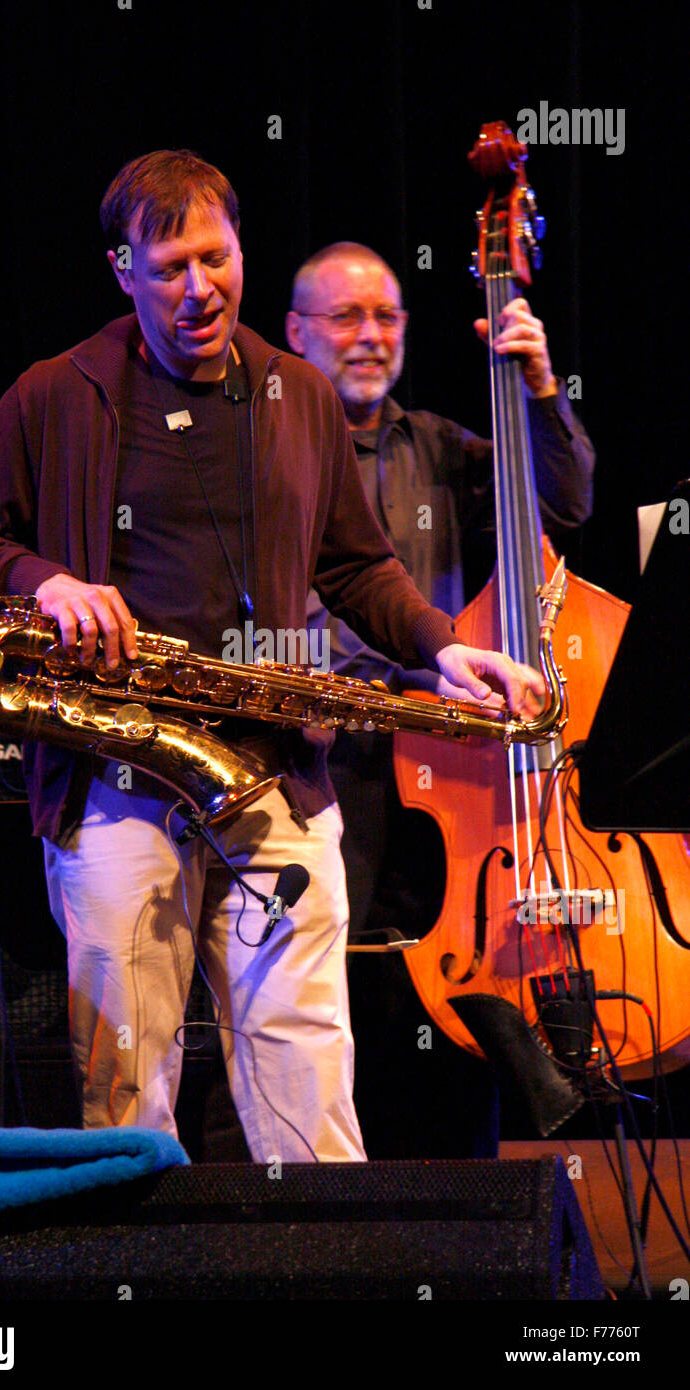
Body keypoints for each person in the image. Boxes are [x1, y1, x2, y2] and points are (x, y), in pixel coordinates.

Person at [0, 154, 547, 1165]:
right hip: (117, 780)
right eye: (169, 266)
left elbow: (358, 568)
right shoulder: (55, 394)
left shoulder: (295, 391)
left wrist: (445, 651)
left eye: (216, 259)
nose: (198, 287)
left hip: (275, 779)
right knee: (126, 1096)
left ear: (243, 254)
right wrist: (47, 581)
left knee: (310, 1088)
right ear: (123, 269)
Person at [286, 241, 595, 1156]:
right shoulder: (271, 449)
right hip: (319, 758)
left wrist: (537, 388)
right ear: (295, 332)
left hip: (447, 771)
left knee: (451, 1004)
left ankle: (465, 1212)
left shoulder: (442, 448)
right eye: (345, 317)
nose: (370, 336)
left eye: (386, 317)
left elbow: (567, 503)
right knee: (326, 992)